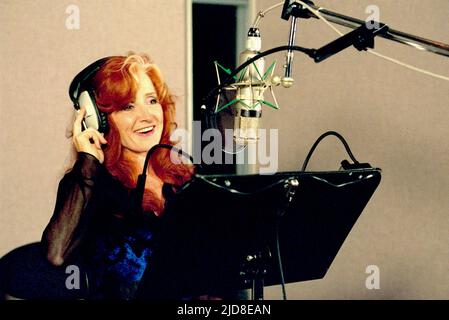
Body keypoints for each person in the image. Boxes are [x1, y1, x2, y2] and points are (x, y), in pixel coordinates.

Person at [41, 53, 194, 299]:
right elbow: (56, 253)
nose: (147, 116)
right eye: (128, 106)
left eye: (152, 101)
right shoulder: (90, 184)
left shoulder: (185, 179)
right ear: (99, 120)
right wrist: (88, 161)